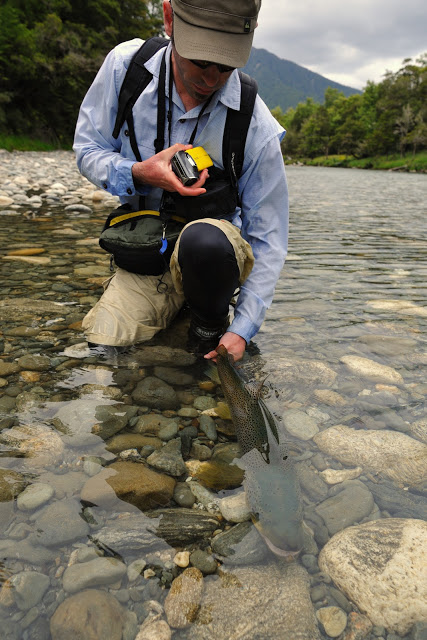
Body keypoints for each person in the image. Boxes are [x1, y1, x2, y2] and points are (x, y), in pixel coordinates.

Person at [73, 0, 288, 363]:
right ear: (169, 18)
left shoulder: (255, 124)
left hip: (213, 257)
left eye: (225, 66)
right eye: (201, 61)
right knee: (102, 347)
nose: (211, 79)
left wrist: (242, 330)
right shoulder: (127, 68)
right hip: (148, 255)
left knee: (206, 242)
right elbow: (87, 150)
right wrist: (138, 173)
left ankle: (208, 322)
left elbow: (268, 236)